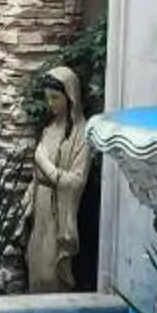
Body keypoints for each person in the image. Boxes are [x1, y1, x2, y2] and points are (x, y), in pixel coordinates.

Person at [24, 64, 93, 293]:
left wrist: (45, 165)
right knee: (35, 266)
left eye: (55, 98)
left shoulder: (80, 136)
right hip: (41, 209)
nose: (50, 104)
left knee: (50, 272)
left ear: (69, 97)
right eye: (48, 98)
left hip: (59, 214)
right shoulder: (50, 128)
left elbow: (76, 181)